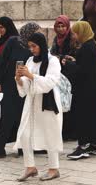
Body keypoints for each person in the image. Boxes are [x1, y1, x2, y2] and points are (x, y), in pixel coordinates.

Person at [0, 22, 40, 159]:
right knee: (6, 116)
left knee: (23, 117)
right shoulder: (13, 42)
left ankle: (23, 147)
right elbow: (2, 62)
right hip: (9, 85)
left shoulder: (34, 46)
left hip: (24, 86)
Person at [14, 33, 63, 182]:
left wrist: (30, 76)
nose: (32, 49)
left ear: (41, 45)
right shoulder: (30, 60)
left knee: (50, 134)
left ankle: (54, 169)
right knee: (24, 133)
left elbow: (50, 82)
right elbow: (27, 84)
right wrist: (19, 79)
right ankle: (30, 167)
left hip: (47, 102)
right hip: (32, 102)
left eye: (34, 46)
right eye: (30, 46)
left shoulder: (52, 61)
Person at [62, 21, 96, 160]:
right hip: (92, 88)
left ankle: (82, 146)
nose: (74, 36)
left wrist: (68, 64)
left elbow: (81, 71)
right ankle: (93, 144)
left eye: (75, 33)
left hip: (85, 90)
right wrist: (75, 61)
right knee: (92, 117)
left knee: (83, 117)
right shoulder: (91, 45)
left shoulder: (87, 48)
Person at [50, 15, 78, 141]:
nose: (61, 29)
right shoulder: (56, 40)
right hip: (60, 75)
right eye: (58, 26)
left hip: (70, 75)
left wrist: (64, 58)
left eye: (63, 26)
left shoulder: (73, 39)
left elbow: (76, 55)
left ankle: (71, 132)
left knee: (70, 102)